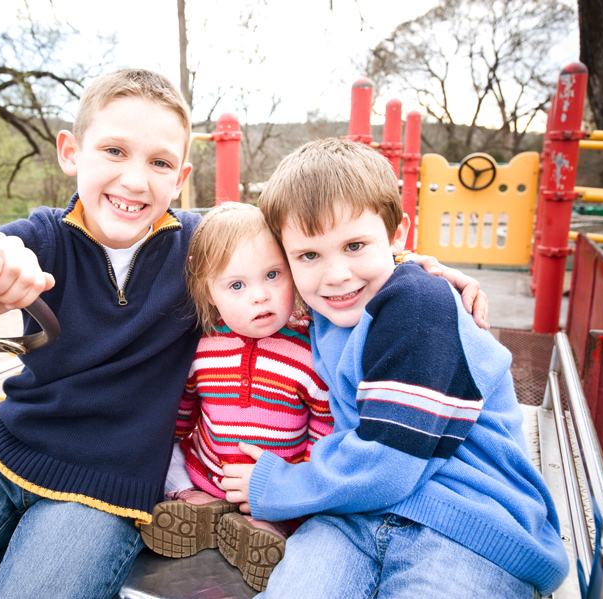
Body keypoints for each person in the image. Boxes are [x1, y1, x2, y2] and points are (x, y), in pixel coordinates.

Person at [0, 68, 487, 598]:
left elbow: (307, 242)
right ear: (72, 152)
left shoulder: (204, 246)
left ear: (181, 178)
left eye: (159, 162)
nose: (132, 179)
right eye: (113, 150)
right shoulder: (39, 237)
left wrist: (408, 270)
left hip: (104, 489)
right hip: (3, 453)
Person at [220, 138, 570, 598]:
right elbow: (213, 246)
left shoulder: (420, 307)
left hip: (465, 522)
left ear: (397, 233)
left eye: (355, 245)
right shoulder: (323, 311)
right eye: (309, 255)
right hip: (353, 516)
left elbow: (389, 462)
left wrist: (281, 483)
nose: (337, 274)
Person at [139, 202, 333, 592]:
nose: (260, 297)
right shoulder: (204, 347)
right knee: (167, 459)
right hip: (206, 468)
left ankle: (263, 526)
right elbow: (185, 409)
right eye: (237, 285)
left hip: (271, 479)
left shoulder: (310, 352)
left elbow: (324, 428)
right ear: (209, 293)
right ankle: (199, 502)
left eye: (273, 275)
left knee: (287, 508)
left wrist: (294, 479)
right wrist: (167, 444)